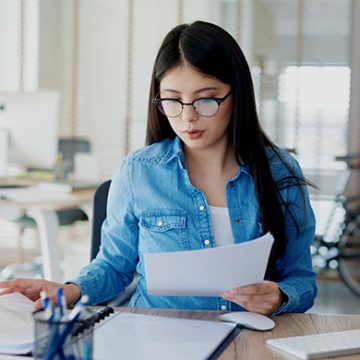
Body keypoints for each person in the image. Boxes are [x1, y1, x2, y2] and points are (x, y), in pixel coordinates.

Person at [0, 21, 317, 315]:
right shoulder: (139, 172)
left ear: (237, 95)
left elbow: (301, 279)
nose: (187, 117)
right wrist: (68, 291)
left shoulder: (281, 173)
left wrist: (280, 296)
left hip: (248, 340)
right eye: (173, 101)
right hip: (157, 337)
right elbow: (113, 267)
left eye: (206, 100)